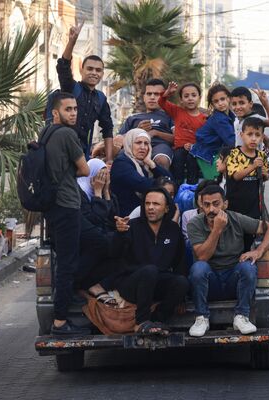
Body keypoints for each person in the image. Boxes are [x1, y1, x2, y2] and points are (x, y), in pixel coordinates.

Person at [187, 185, 269, 337]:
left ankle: (241, 316)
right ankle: (202, 317)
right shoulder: (195, 224)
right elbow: (203, 256)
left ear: (225, 204)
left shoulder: (235, 218)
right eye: (207, 205)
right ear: (201, 206)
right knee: (198, 268)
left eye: (216, 204)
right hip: (210, 282)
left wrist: (258, 250)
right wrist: (217, 229)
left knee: (248, 267)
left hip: (233, 279)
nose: (211, 209)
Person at [102, 187, 189, 335]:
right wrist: (120, 234)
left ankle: (158, 320)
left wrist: (181, 298)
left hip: (157, 282)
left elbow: (179, 263)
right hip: (132, 283)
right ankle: (141, 322)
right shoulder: (131, 226)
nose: (150, 207)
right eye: (147, 203)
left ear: (167, 208)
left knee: (182, 282)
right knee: (149, 270)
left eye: (156, 204)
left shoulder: (173, 230)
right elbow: (113, 252)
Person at [42, 92, 91, 335]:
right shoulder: (67, 134)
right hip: (68, 204)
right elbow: (84, 169)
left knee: (63, 260)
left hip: (52, 206)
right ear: (55, 112)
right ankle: (61, 321)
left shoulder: (46, 133)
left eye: (75, 109)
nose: (73, 113)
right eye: (68, 109)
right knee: (68, 264)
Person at [56, 22, 114, 161]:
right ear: (81, 70)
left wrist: (110, 160)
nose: (94, 73)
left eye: (98, 70)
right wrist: (72, 41)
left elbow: (107, 129)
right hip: (60, 151)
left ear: (102, 74)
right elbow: (63, 67)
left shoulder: (101, 99)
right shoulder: (71, 88)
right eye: (90, 69)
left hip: (82, 154)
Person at [76, 159, 121, 304]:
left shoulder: (105, 191)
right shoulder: (80, 194)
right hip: (86, 243)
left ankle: (98, 285)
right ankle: (85, 285)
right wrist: (96, 193)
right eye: (100, 176)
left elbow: (112, 218)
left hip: (103, 237)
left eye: (105, 176)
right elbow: (95, 219)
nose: (102, 180)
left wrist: (106, 192)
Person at [226, 117, 269, 250]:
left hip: (254, 207)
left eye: (257, 135)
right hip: (235, 206)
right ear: (241, 135)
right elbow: (235, 176)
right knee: (234, 239)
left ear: (262, 137)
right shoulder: (234, 153)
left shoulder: (261, 155)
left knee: (248, 240)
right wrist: (252, 166)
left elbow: (265, 177)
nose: (253, 138)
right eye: (250, 134)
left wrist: (264, 174)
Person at [110, 129, 172, 216]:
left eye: (146, 143)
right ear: (129, 144)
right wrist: (164, 183)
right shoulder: (121, 163)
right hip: (125, 217)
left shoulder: (144, 164)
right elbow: (143, 185)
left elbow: (170, 180)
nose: (143, 147)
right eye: (138, 143)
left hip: (142, 214)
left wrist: (151, 164)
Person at [118, 79, 174, 170]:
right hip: (135, 147)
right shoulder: (132, 118)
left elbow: (178, 139)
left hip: (160, 146)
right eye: (149, 94)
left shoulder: (170, 116)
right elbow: (119, 139)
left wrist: (156, 133)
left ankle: (162, 184)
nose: (152, 97)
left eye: (157, 94)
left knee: (162, 160)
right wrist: (137, 130)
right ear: (144, 97)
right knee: (121, 157)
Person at [159, 82, 207, 185]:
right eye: (186, 96)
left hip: (195, 149)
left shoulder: (204, 118)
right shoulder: (177, 111)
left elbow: (205, 138)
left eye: (194, 95)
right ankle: (176, 188)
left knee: (192, 160)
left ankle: (191, 188)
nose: (190, 98)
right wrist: (167, 92)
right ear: (181, 100)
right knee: (177, 160)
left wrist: (194, 146)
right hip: (180, 148)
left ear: (199, 97)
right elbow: (161, 102)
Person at [190, 84, 236, 180]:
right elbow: (232, 141)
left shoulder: (229, 115)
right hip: (207, 155)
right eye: (216, 101)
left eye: (222, 99)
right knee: (214, 185)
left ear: (229, 98)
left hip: (211, 152)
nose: (220, 103)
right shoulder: (219, 118)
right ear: (212, 104)